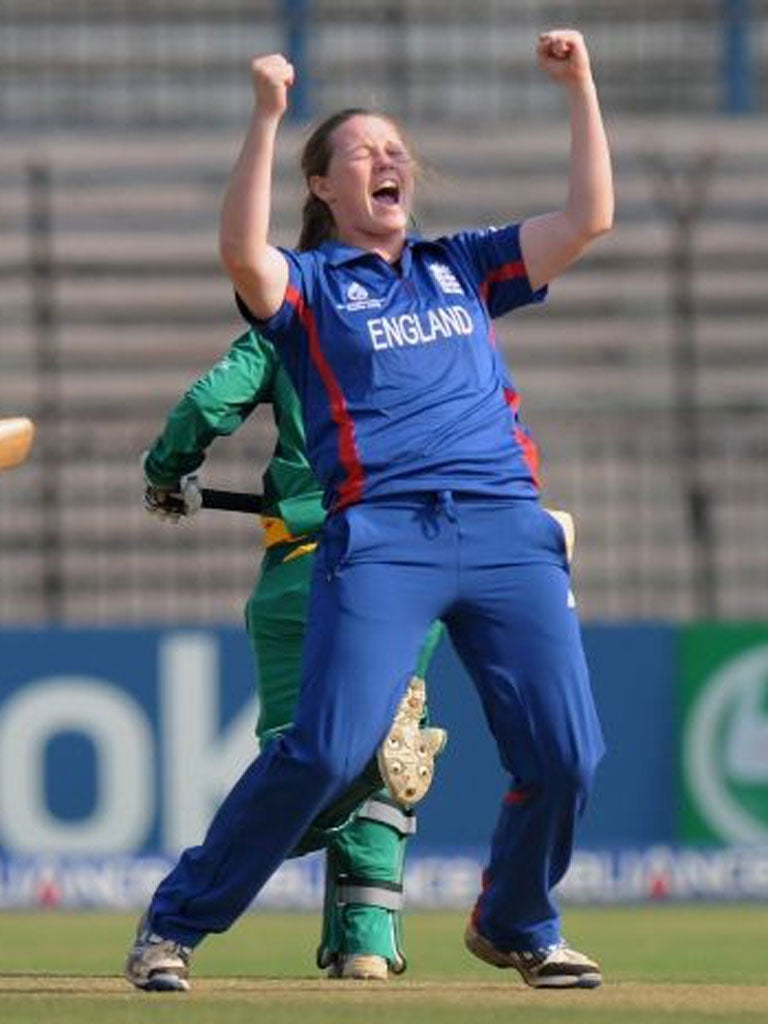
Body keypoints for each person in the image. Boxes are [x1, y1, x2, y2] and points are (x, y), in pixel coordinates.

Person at [126, 27, 613, 992]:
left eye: (395, 148)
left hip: (508, 526)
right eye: (362, 151)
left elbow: (589, 217)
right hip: (384, 534)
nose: (387, 158)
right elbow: (237, 248)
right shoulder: (308, 288)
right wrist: (267, 116)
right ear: (323, 188)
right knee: (327, 751)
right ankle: (173, 924)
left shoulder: (461, 265)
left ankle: (517, 920)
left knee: (568, 755)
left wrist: (582, 87)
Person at [140, 329, 446, 981]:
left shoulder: (294, 320)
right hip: (416, 564)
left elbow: (205, 404)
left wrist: (167, 471)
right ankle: (365, 941)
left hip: (311, 565)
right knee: (383, 749)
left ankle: (183, 911)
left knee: (302, 760)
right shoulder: (441, 323)